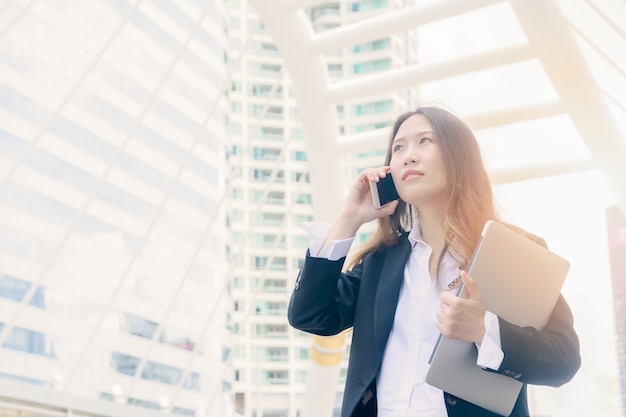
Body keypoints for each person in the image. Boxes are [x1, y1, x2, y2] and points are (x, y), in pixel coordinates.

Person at [287, 106, 581, 417]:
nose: (408, 156)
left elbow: (563, 360)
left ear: (459, 157)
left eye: (424, 141)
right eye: (398, 147)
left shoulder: (513, 253)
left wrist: (484, 330)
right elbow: (310, 315)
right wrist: (349, 220)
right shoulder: (380, 262)